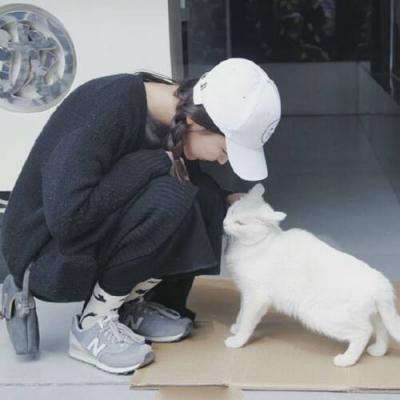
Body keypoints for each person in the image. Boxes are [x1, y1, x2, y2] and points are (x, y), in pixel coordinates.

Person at [0, 58, 281, 374]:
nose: (222, 161)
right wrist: (152, 163)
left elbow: (188, 180)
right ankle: (92, 324)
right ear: (197, 121)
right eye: (225, 150)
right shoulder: (107, 106)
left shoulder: (173, 120)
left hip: (81, 234)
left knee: (206, 198)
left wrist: (228, 200)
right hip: (43, 254)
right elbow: (67, 218)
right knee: (170, 195)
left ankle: (128, 305)